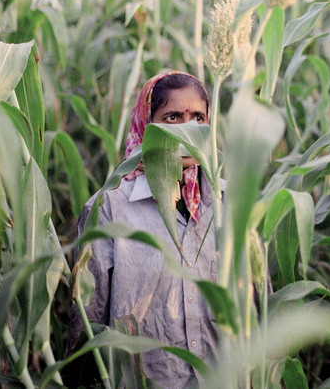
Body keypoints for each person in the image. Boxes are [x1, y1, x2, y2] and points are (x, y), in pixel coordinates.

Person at [68, 71, 221, 388]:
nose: (188, 130)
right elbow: (88, 319)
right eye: (173, 117)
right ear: (147, 124)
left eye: (198, 118)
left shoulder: (228, 203)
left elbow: (259, 309)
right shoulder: (110, 208)